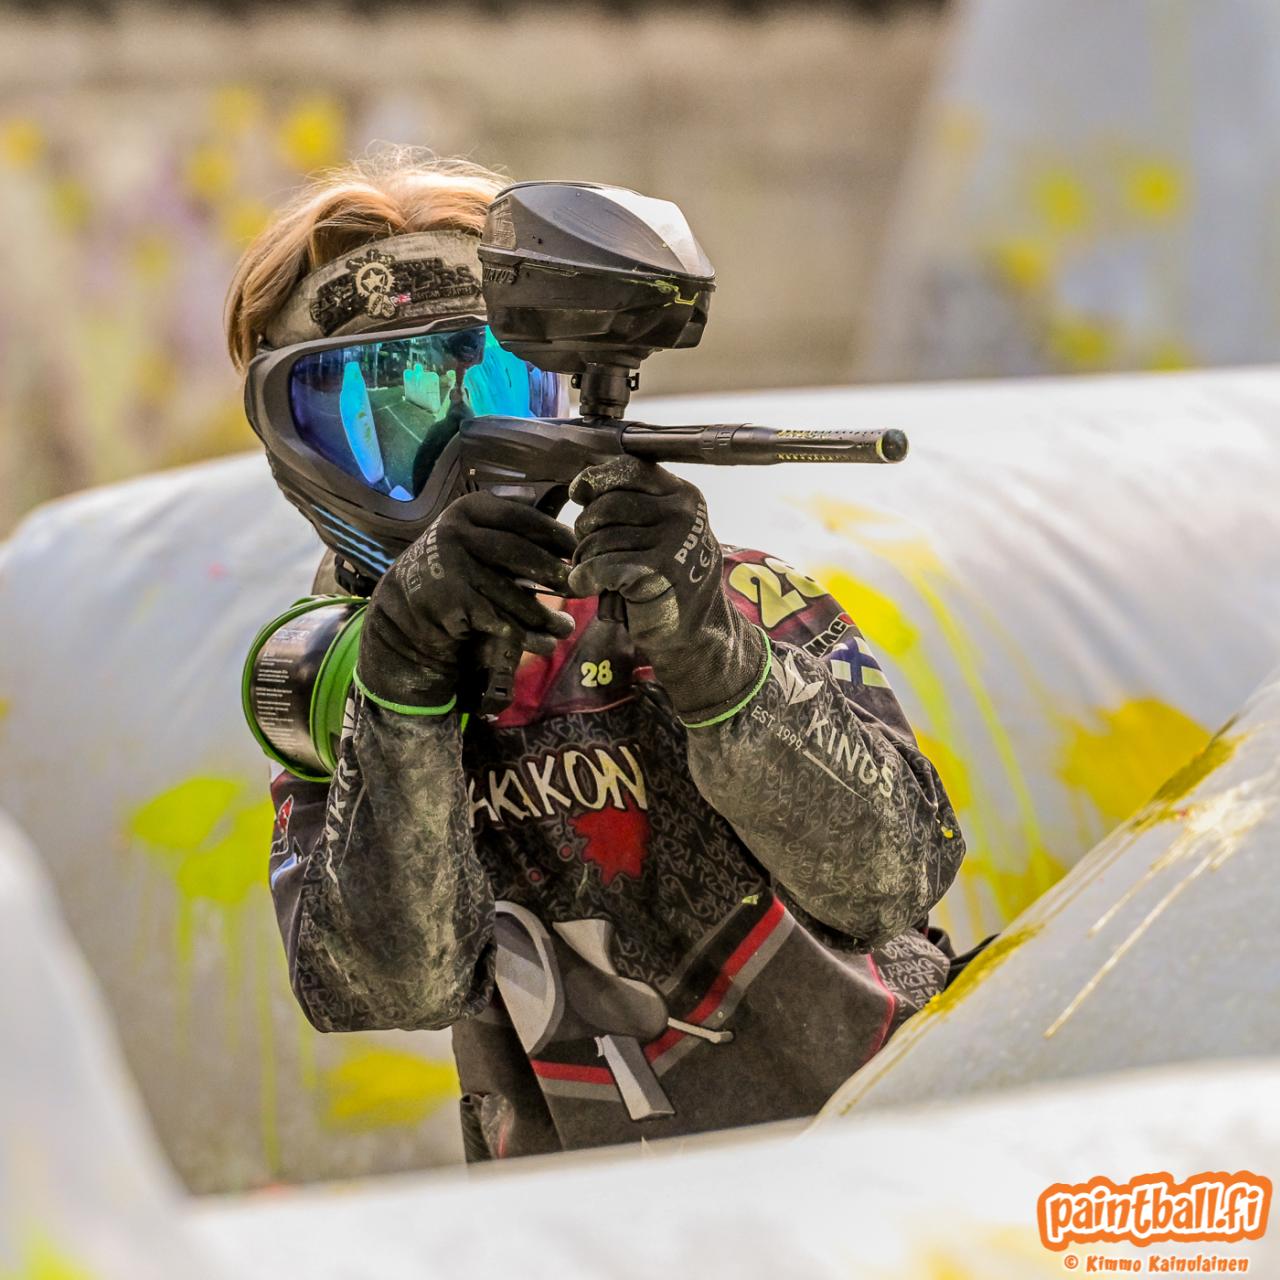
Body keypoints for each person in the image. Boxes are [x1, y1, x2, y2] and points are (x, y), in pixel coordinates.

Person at [227, 147, 966, 1160]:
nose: (458, 459)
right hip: (592, 1216)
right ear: (291, 443)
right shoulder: (338, 682)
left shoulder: (725, 595)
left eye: (493, 392)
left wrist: (713, 656)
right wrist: (403, 687)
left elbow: (893, 879)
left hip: (886, 1160)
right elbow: (392, 986)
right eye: (384, 421)